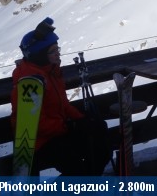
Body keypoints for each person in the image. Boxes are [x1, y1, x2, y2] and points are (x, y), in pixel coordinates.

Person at [11, 17, 111, 175]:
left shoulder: (51, 71)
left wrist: (81, 119)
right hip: (40, 142)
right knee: (78, 169)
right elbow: (34, 125)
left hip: (58, 132)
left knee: (100, 142)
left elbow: (63, 105)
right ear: (39, 55)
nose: (58, 53)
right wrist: (69, 126)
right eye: (53, 51)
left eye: (57, 49)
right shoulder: (30, 82)